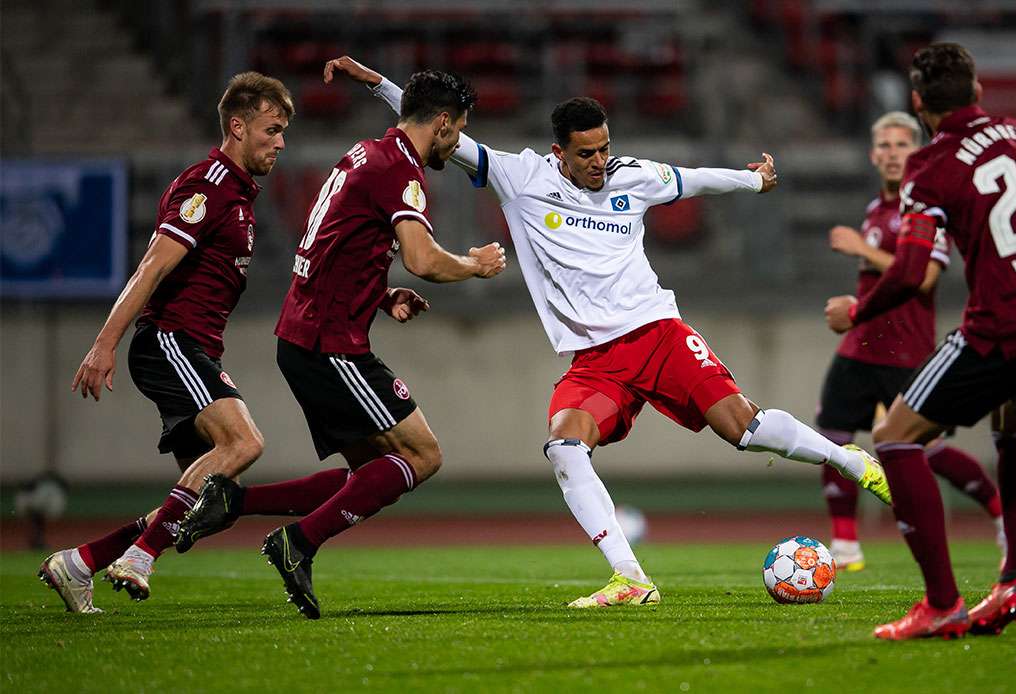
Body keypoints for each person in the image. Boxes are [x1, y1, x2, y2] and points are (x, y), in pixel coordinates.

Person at [329, 55, 892, 609]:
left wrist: (753, 180)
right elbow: (434, 123)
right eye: (586, 153)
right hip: (595, 360)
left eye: (604, 147)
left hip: (657, 333)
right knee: (565, 445)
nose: (600, 161)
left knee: (743, 428)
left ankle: (851, 462)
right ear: (559, 154)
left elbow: (693, 180)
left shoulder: (632, 177)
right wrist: (378, 83)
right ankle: (630, 578)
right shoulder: (520, 177)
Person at [825, 42, 1016, 640]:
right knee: (1015, 426)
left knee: (895, 438)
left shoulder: (931, 166)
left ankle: (941, 602)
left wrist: (860, 307)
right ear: (979, 92)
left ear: (918, 104)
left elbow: (913, 272)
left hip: (1003, 329)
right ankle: (1013, 579)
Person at [177, 70, 505, 619]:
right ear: (443, 123)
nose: (455, 145)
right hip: (332, 344)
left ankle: (235, 502)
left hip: (305, 334)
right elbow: (423, 259)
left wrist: (378, 294)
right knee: (422, 456)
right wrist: (475, 264)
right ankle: (297, 543)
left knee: (368, 474)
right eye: (458, 131)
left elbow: (333, 243)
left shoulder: (365, 154)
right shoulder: (401, 171)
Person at [37, 73, 294, 611]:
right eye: (271, 130)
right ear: (237, 125)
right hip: (169, 341)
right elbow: (150, 269)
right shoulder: (209, 185)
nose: (280, 142)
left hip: (193, 347)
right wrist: (103, 344)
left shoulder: (239, 194)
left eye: (284, 132)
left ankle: (79, 563)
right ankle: (139, 556)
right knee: (244, 443)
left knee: (208, 501)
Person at [819, 111, 1004, 572]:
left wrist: (861, 250)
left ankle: (1001, 514)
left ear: (916, 153)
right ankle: (845, 545)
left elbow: (923, 278)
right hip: (861, 345)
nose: (891, 153)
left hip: (906, 353)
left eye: (901, 145)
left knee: (929, 449)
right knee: (832, 439)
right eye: (883, 145)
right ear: (872, 155)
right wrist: (856, 298)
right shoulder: (874, 210)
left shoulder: (926, 206)